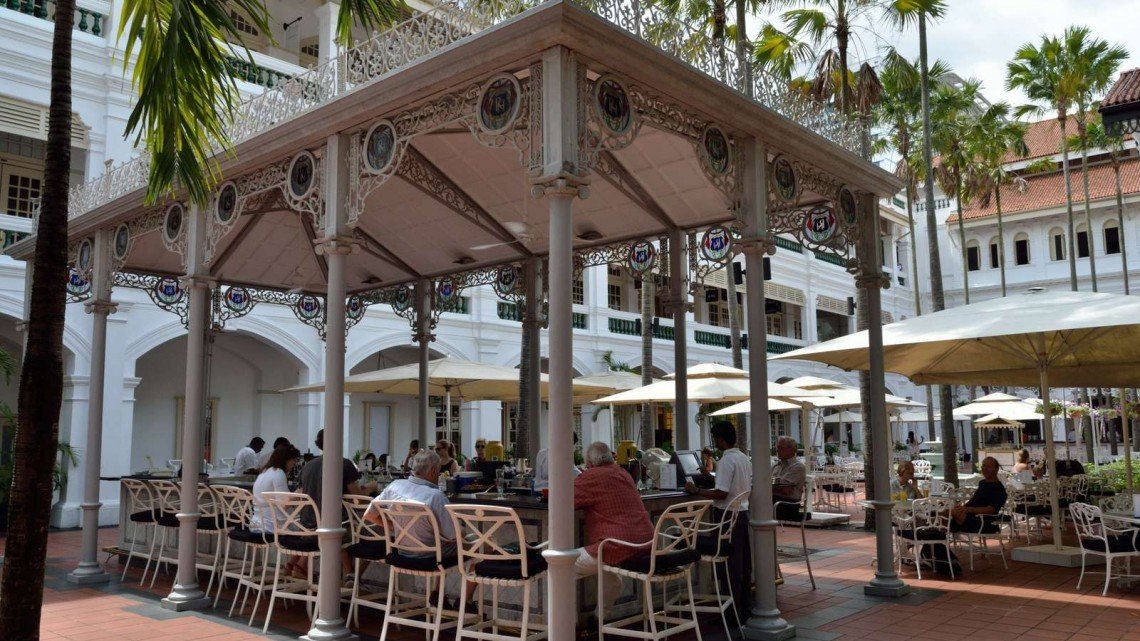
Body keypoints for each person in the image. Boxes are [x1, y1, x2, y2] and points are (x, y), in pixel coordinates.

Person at [367, 450, 476, 606]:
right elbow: (454, 536)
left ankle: (437, 593)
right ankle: (465, 601)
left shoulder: (394, 486)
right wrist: (462, 528)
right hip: (430, 558)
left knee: (439, 538)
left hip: (402, 554)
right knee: (484, 545)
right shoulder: (436, 496)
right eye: (439, 472)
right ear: (433, 471)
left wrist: (395, 528)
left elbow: (370, 515)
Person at [574, 442, 654, 613]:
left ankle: (564, 624)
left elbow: (563, 500)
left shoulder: (590, 476)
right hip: (646, 542)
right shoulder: (623, 473)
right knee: (609, 571)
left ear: (590, 462)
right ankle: (598, 619)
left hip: (616, 546)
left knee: (560, 565)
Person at [685, 422, 751, 619]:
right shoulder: (743, 458)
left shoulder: (725, 461)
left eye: (715, 438)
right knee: (741, 563)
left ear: (721, 439)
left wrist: (696, 490)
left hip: (726, 516)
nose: (715, 442)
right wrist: (709, 476)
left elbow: (722, 493)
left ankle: (731, 612)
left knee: (728, 566)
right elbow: (730, 485)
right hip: (741, 513)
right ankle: (742, 607)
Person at [251, 445, 304, 576]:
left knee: (305, 531)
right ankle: (299, 568)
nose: (294, 464)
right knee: (311, 533)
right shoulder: (279, 473)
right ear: (287, 459)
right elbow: (284, 504)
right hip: (271, 525)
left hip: (256, 523)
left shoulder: (264, 472)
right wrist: (299, 493)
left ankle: (291, 566)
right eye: (294, 460)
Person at [950, 456, 1007, 534]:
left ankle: (940, 533)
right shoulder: (983, 483)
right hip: (970, 517)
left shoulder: (998, 488)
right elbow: (975, 500)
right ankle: (939, 534)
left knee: (946, 516)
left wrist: (968, 509)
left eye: (989, 467)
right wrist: (962, 508)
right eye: (983, 465)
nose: (985, 469)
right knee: (943, 515)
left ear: (996, 469)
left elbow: (991, 509)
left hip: (983, 522)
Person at [771, 436, 806, 502]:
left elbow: (785, 490)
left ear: (791, 450)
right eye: (777, 448)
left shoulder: (798, 467)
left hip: (788, 503)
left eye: (780, 448)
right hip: (774, 499)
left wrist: (768, 485)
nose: (777, 450)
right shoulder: (776, 465)